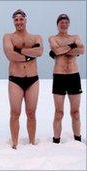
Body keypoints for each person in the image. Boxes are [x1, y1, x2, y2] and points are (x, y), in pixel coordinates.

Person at [3, 9, 43, 149]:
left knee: (31, 113)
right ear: (13, 21)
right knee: (15, 112)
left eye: (21, 19)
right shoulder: (8, 37)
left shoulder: (36, 37)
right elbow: (10, 54)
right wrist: (29, 55)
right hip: (16, 79)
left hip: (33, 79)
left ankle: (32, 143)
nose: (19, 22)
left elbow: (39, 51)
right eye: (16, 20)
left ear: (26, 20)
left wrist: (19, 51)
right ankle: (14, 143)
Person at [48, 14, 85, 144]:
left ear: (68, 24)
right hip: (59, 76)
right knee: (59, 112)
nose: (63, 24)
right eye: (61, 22)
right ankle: (56, 140)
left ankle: (78, 139)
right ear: (57, 24)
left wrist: (64, 49)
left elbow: (82, 50)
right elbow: (56, 51)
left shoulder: (75, 37)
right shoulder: (53, 38)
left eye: (65, 22)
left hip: (74, 76)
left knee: (75, 112)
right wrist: (72, 47)